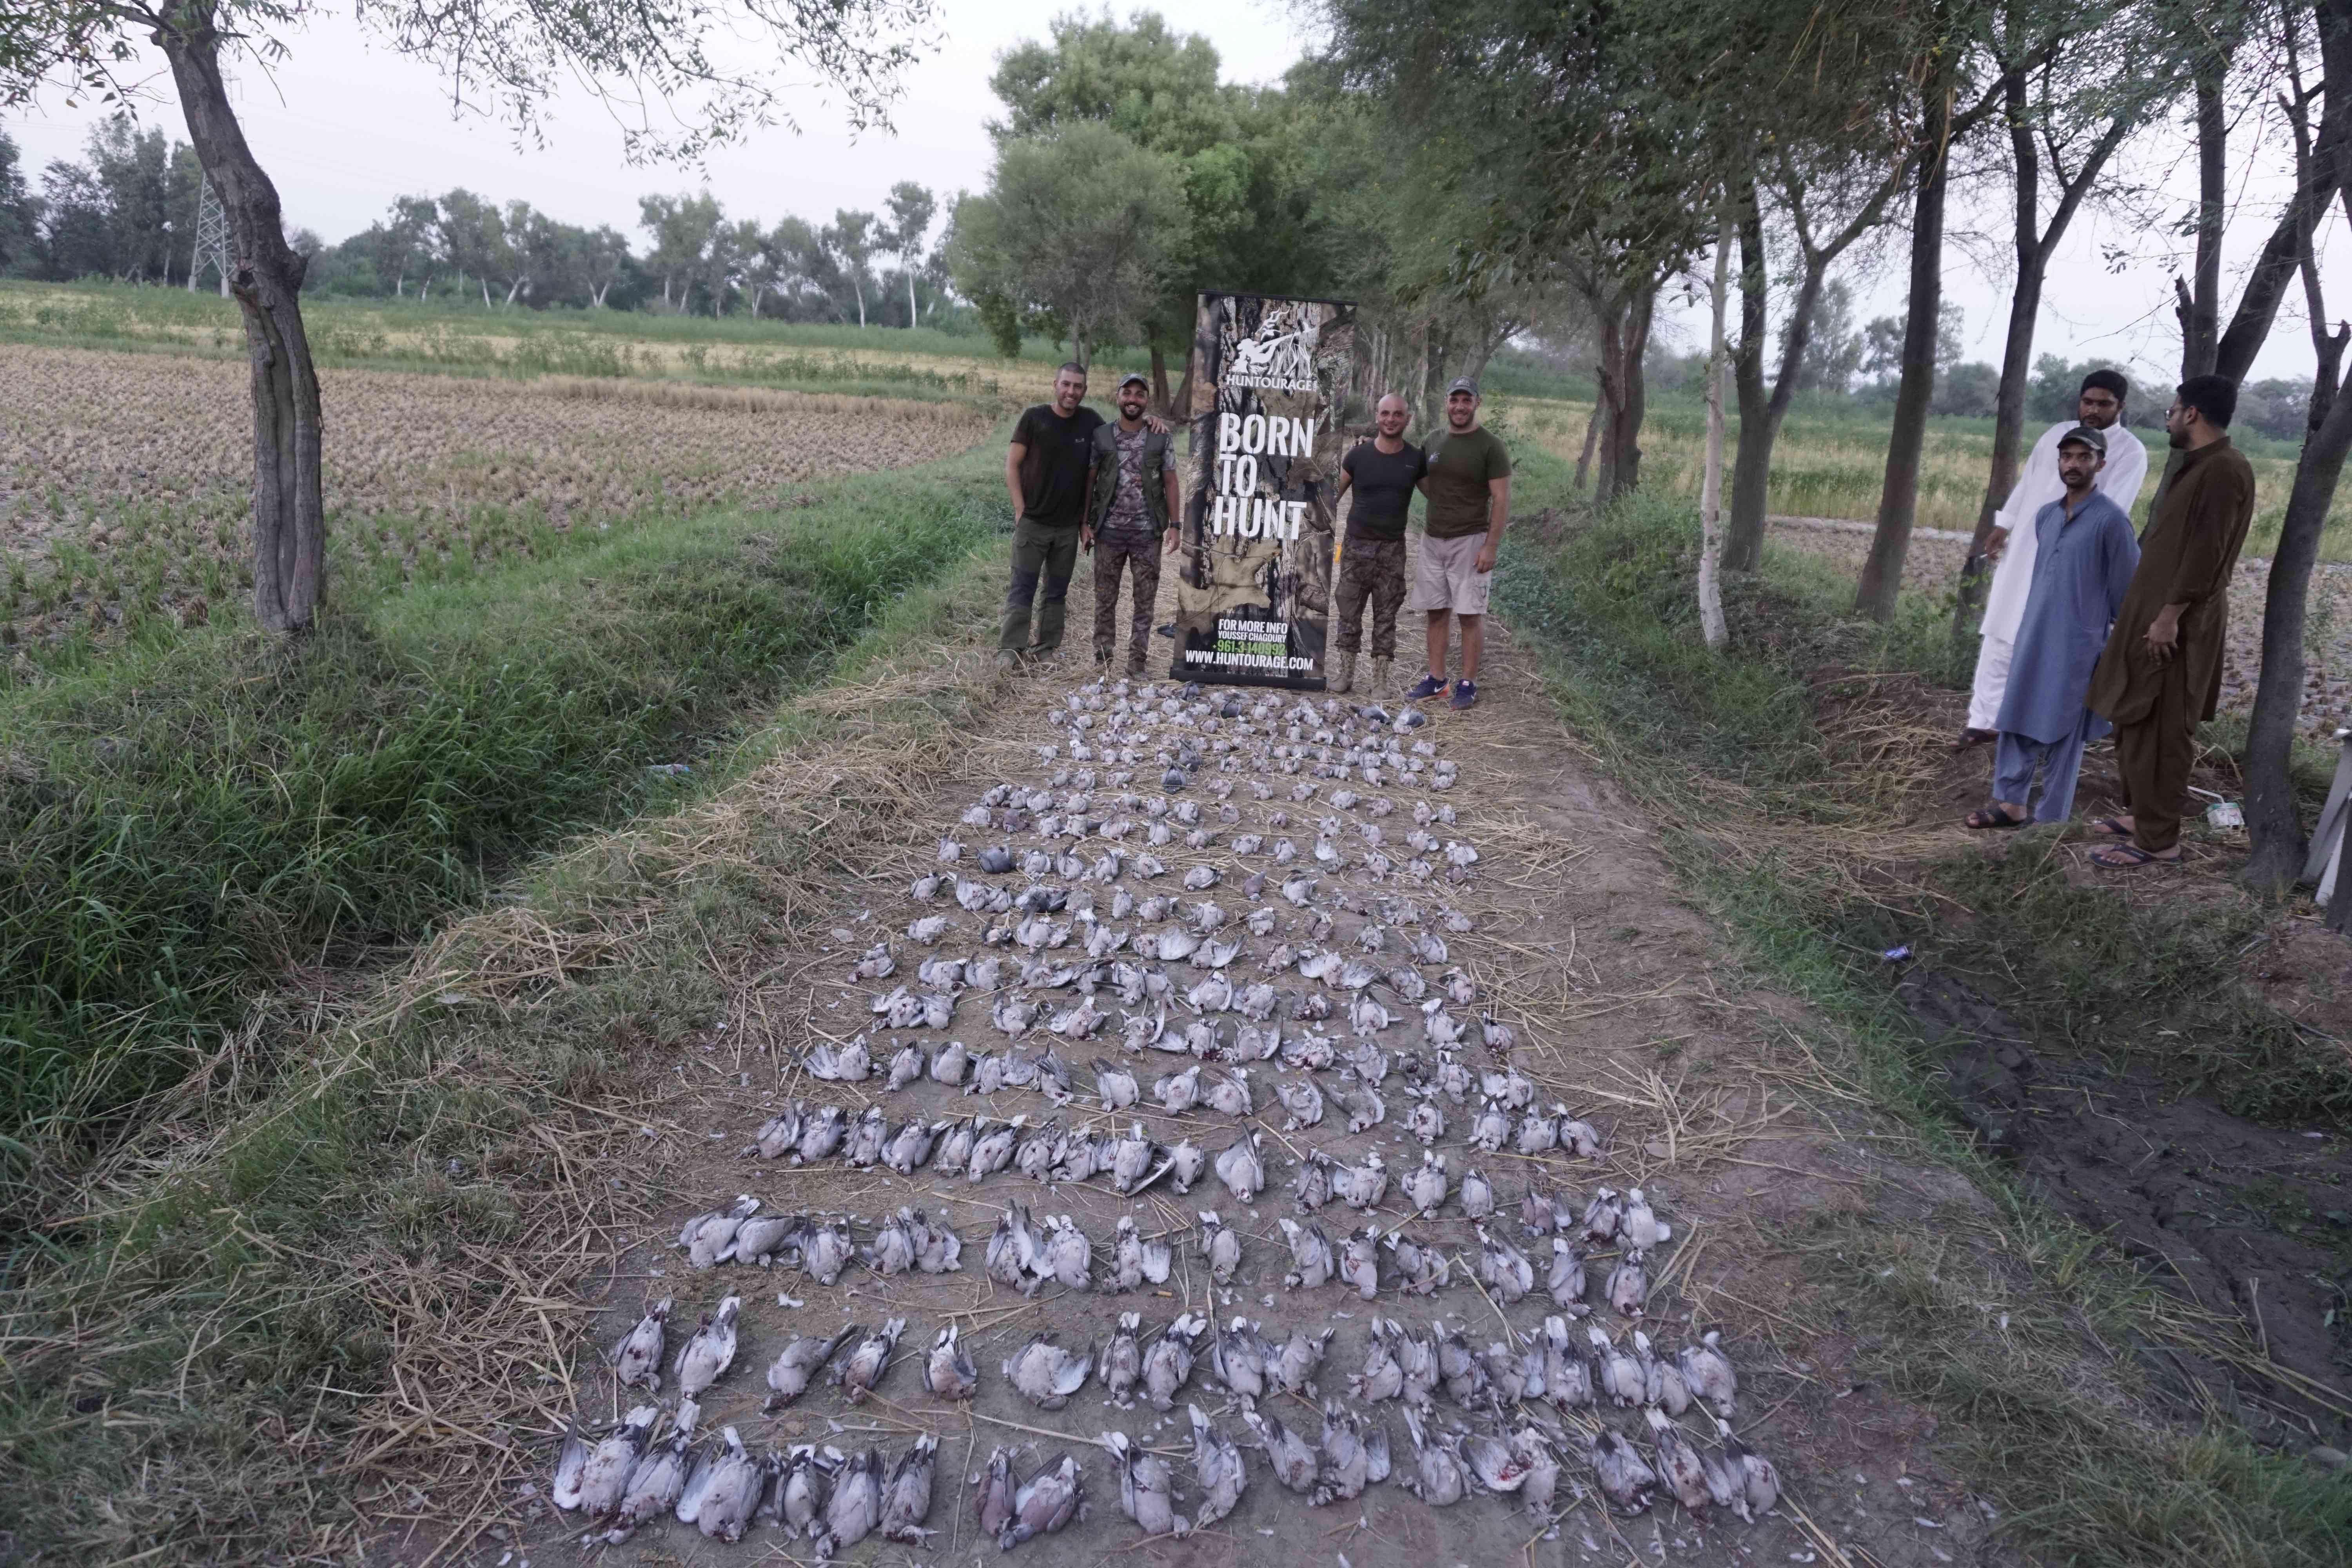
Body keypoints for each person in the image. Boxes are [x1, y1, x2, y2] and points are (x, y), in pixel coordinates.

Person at [2085, 375, 2258, 868]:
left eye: (2173, 410)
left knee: (2163, 728)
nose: (2170, 418)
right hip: (2156, 614)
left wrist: (2169, 615)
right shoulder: (2200, 465)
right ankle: (2143, 816)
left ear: (2193, 414)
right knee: (2134, 717)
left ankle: (2158, 842)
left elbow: (2208, 553)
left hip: (2178, 624)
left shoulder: (2225, 470)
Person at [1956, 369, 2147, 747]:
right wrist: (2005, 524)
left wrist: (2073, 549)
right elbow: (2029, 482)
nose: (2093, 410)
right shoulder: (2054, 435)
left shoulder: (2130, 451)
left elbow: (2114, 510)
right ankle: (1984, 721)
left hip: (2075, 560)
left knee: (2053, 643)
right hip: (2025, 548)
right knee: (2002, 631)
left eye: (2104, 404)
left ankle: (2042, 729)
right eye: (2088, 401)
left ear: (2121, 407)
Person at [1962, 426, 2140, 830]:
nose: (2073, 464)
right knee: (2016, 713)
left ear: (2101, 464)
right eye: (2067, 457)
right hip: (2034, 634)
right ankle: (2011, 804)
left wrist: (2106, 646)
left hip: (2079, 642)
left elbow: (2125, 596)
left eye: (2083, 457)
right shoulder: (2046, 516)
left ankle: (2049, 822)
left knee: (2064, 730)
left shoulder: (2112, 522)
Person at [1405, 377, 1511, 710]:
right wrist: (1440, 500)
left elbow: (1502, 498)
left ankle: (1468, 682)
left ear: (1477, 403)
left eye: (1467, 400)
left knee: (1469, 613)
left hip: (1470, 540)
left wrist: (1490, 546)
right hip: (1433, 539)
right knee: (1436, 611)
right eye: (1455, 400)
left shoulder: (1490, 446)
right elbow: (1421, 477)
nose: (1460, 407)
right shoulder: (1433, 440)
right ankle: (1437, 680)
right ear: (1447, 403)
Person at [1000, 362, 1102, 670]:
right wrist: (1020, 509)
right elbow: (1012, 466)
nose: (1072, 392)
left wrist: (1085, 523)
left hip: (1067, 529)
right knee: (1023, 587)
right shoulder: (1034, 419)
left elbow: (1097, 470)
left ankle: (1046, 649)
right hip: (1033, 523)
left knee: (1056, 591)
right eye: (1066, 385)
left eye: (1078, 387)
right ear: (1055, 385)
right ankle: (1010, 650)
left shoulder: (1091, 423)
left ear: (1085, 390)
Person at [1083, 372, 1181, 675]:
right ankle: (1103, 661)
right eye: (1128, 393)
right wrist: (1085, 523)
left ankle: (1137, 662)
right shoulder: (1101, 436)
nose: (1133, 400)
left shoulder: (1160, 437)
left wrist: (1175, 525)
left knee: (1145, 603)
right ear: (1118, 397)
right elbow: (1090, 482)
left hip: (1146, 534)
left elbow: (1171, 482)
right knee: (1104, 598)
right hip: (1108, 533)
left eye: (1140, 394)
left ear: (1146, 401)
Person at [1327, 393, 1425, 693]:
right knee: (1348, 611)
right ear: (1377, 416)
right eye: (1386, 413)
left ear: (1407, 419)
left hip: (1392, 550)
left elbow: (1441, 499)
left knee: (1386, 615)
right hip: (1356, 547)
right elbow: (1331, 498)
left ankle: (1380, 681)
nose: (1391, 419)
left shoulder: (1415, 459)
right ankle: (1346, 675)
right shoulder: (1358, 456)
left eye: (1398, 414)